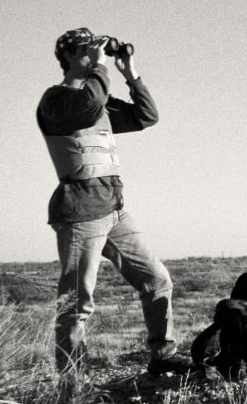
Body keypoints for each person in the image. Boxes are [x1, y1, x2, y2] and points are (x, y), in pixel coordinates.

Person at [37, 27, 192, 377]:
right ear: (71, 57)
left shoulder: (98, 96)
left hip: (115, 211)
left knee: (157, 280)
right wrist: (100, 67)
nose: (96, 55)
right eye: (87, 50)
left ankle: (163, 354)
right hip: (80, 214)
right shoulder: (57, 101)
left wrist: (129, 72)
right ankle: (72, 382)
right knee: (77, 303)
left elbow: (145, 116)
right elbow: (89, 106)